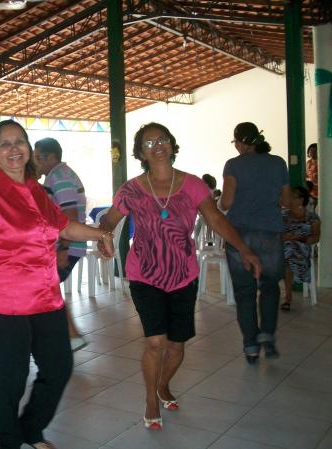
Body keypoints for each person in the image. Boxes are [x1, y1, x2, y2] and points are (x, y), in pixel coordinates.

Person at [0, 120, 114, 449]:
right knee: (11, 379)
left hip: (43, 295)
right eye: (5, 144)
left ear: (29, 149)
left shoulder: (36, 191)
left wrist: (100, 234)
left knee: (58, 366)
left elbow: (64, 226)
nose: (14, 149)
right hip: (0, 301)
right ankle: (10, 442)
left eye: (19, 142)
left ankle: (30, 428)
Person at [98, 123, 260, 430]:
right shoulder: (130, 189)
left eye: (162, 139)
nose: (157, 145)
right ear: (140, 153)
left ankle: (163, 384)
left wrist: (244, 249)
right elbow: (109, 218)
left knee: (176, 345)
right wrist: (101, 234)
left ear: (172, 145)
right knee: (156, 342)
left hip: (183, 274)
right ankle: (150, 397)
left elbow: (215, 219)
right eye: (148, 143)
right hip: (144, 273)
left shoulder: (194, 185)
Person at [220, 122, 291, 364]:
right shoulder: (278, 163)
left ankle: (250, 345)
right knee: (270, 287)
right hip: (270, 233)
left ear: (239, 143)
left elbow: (227, 202)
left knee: (245, 293)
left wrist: (219, 204)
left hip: (239, 236)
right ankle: (267, 336)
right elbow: (286, 201)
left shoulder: (233, 165)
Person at [33, 137, 88, 351]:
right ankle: (70, 336)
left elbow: (69, 215)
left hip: (68, 245)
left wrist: (63, 249)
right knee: (48, 287)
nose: (35, 162)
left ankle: (69, 336)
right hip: (64, 244)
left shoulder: (59, 177)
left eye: (38, 158)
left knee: (46, 287)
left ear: (52, 157)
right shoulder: (56, 176)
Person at [281, 186, 321, 311]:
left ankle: (288, 297)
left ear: (301, 200)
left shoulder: (312, 218)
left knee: (289, 251)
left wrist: (298, 238)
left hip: (302, 249)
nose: (289, 199)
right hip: (283, 248)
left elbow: (316, 238)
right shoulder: (283, 215)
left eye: (292, 197)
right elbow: (275, 234)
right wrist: (285, 237)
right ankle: (286, 295)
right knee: (287, 251)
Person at [305, 143, 318, 209]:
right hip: (310, 192)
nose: (312, 153)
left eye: (315, 151)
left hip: (320, 192)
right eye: (311, 151)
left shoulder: (322, 162)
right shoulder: (308, 163)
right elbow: (306, 175)